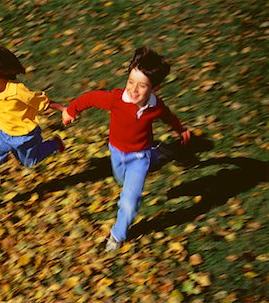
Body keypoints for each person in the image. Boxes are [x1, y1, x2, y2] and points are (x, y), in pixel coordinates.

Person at [62, 47, 191, 251]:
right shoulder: (117, 100)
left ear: (154, 89)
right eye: (130, 81)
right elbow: (91, 98)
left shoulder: (155, 106)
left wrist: (180, 129)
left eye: (141, 86)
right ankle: (160, 152)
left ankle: (117, 235)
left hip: (140, 155)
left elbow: (167, 116)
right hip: (116, 151)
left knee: (129, 201)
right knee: (120, 179)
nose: (133, 89)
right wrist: (71, 110)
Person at [0, 41, 66, 219]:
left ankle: (54, 144)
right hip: (1, 134)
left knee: (29, 162)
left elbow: (42, 102)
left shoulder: (19, 91)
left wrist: (64, 110)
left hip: (24, 137)